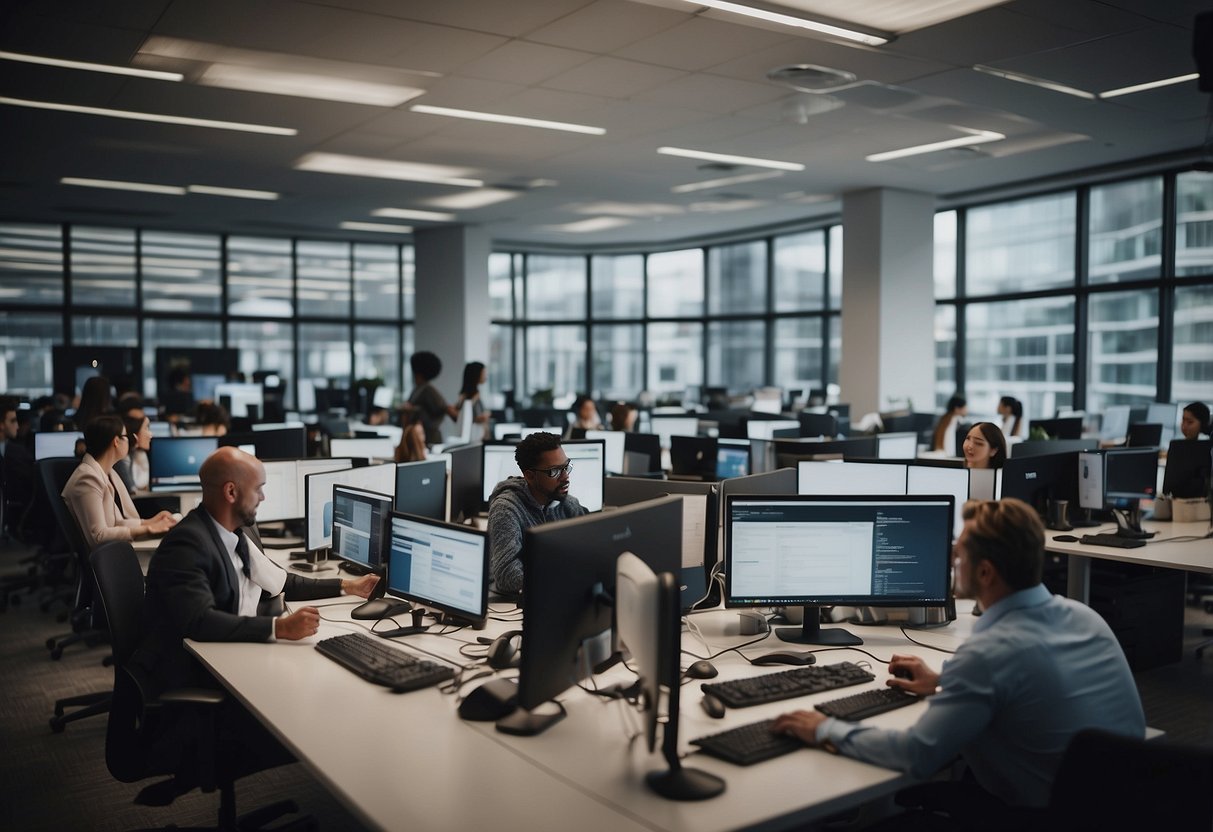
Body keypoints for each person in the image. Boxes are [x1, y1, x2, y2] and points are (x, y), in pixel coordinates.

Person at [772, 498, 1145, 813]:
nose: (952, 559)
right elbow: (1027, 682)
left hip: (1041, 818)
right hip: (1119, 807)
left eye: (959, 553)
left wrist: (824, 728)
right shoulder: (1085, 617)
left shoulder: (990, 653)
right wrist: (943, 681)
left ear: (985, 572)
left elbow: (917, 755)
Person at [133, 446, 379, 696]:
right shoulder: (187, 544)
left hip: (227, 654)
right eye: (258, 488)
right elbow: (200, 621)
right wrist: (280, 628)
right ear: (231, 492)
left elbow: (280, 581)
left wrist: (347, 586)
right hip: (190, 672)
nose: (263, 497)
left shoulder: (234, 531)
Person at [487, 432, 589, 594]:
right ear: (530, 476)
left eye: (566, 466)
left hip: (558, 594)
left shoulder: (567, 503)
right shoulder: (506, 509)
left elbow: (593, 543)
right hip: (513, 602)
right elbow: (507, 575)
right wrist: (567, 575)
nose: (565, 477)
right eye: (554, 471)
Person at [61, 415, 177, 549]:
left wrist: (150, 522)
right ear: (116, 441)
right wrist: (147, 529)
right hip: (101, 558)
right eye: (126, 436)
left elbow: (116, 523)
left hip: (112, 550)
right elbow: (98, 536)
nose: (130, 440)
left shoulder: (108, 472)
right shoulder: (87, 479)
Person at [402, 351, 457, 446]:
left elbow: (447, 409)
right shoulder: (418, 389)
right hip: (418, 438)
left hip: (429, 439)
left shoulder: (429, 391)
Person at [115, 409, 153, 493]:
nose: (150, 434)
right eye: (146, 428)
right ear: (134, 432)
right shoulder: (120, 459)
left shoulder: (135, 454)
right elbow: (131, 490)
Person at [455, 361, 490, 441]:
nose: (485, 376)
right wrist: (483, 417)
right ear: (476, 374)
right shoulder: (468, 396)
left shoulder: (476, 394)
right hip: (473, 437)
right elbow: (465, 416)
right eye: (483, 373)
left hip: (478, 436)